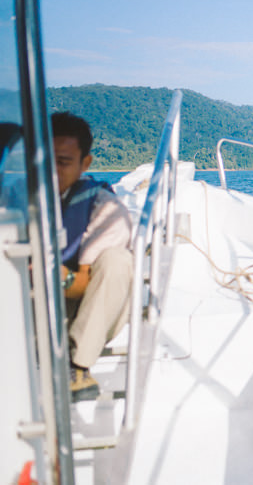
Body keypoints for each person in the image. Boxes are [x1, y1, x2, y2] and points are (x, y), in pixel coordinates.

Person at [51, 112, 133, 401]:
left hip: (80, 309)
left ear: (85, 163)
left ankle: (78, 367)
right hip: (27, 307)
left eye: (62, 163)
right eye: (45, 162)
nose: (52, 172)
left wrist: (55, 276)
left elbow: (81, 285)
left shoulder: (106, 211)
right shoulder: (19, 201)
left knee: (117, 261)